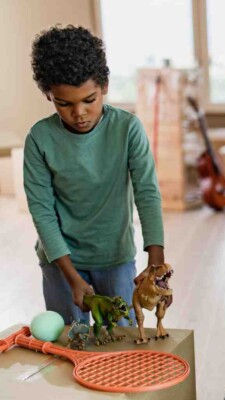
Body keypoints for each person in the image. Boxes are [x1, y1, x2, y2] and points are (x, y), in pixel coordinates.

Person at [24, 25, 164, 325]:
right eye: (65, 104)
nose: (79, 113)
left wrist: (155, 260)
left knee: (122, 342)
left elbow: (147, 193)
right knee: (70, 344)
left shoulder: (127, 129)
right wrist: (71, 276)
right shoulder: (39, 138)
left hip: (115, 259)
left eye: (89, 99)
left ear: (104, 86)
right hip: (61, 263)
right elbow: (42, 211)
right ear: (49, 95)